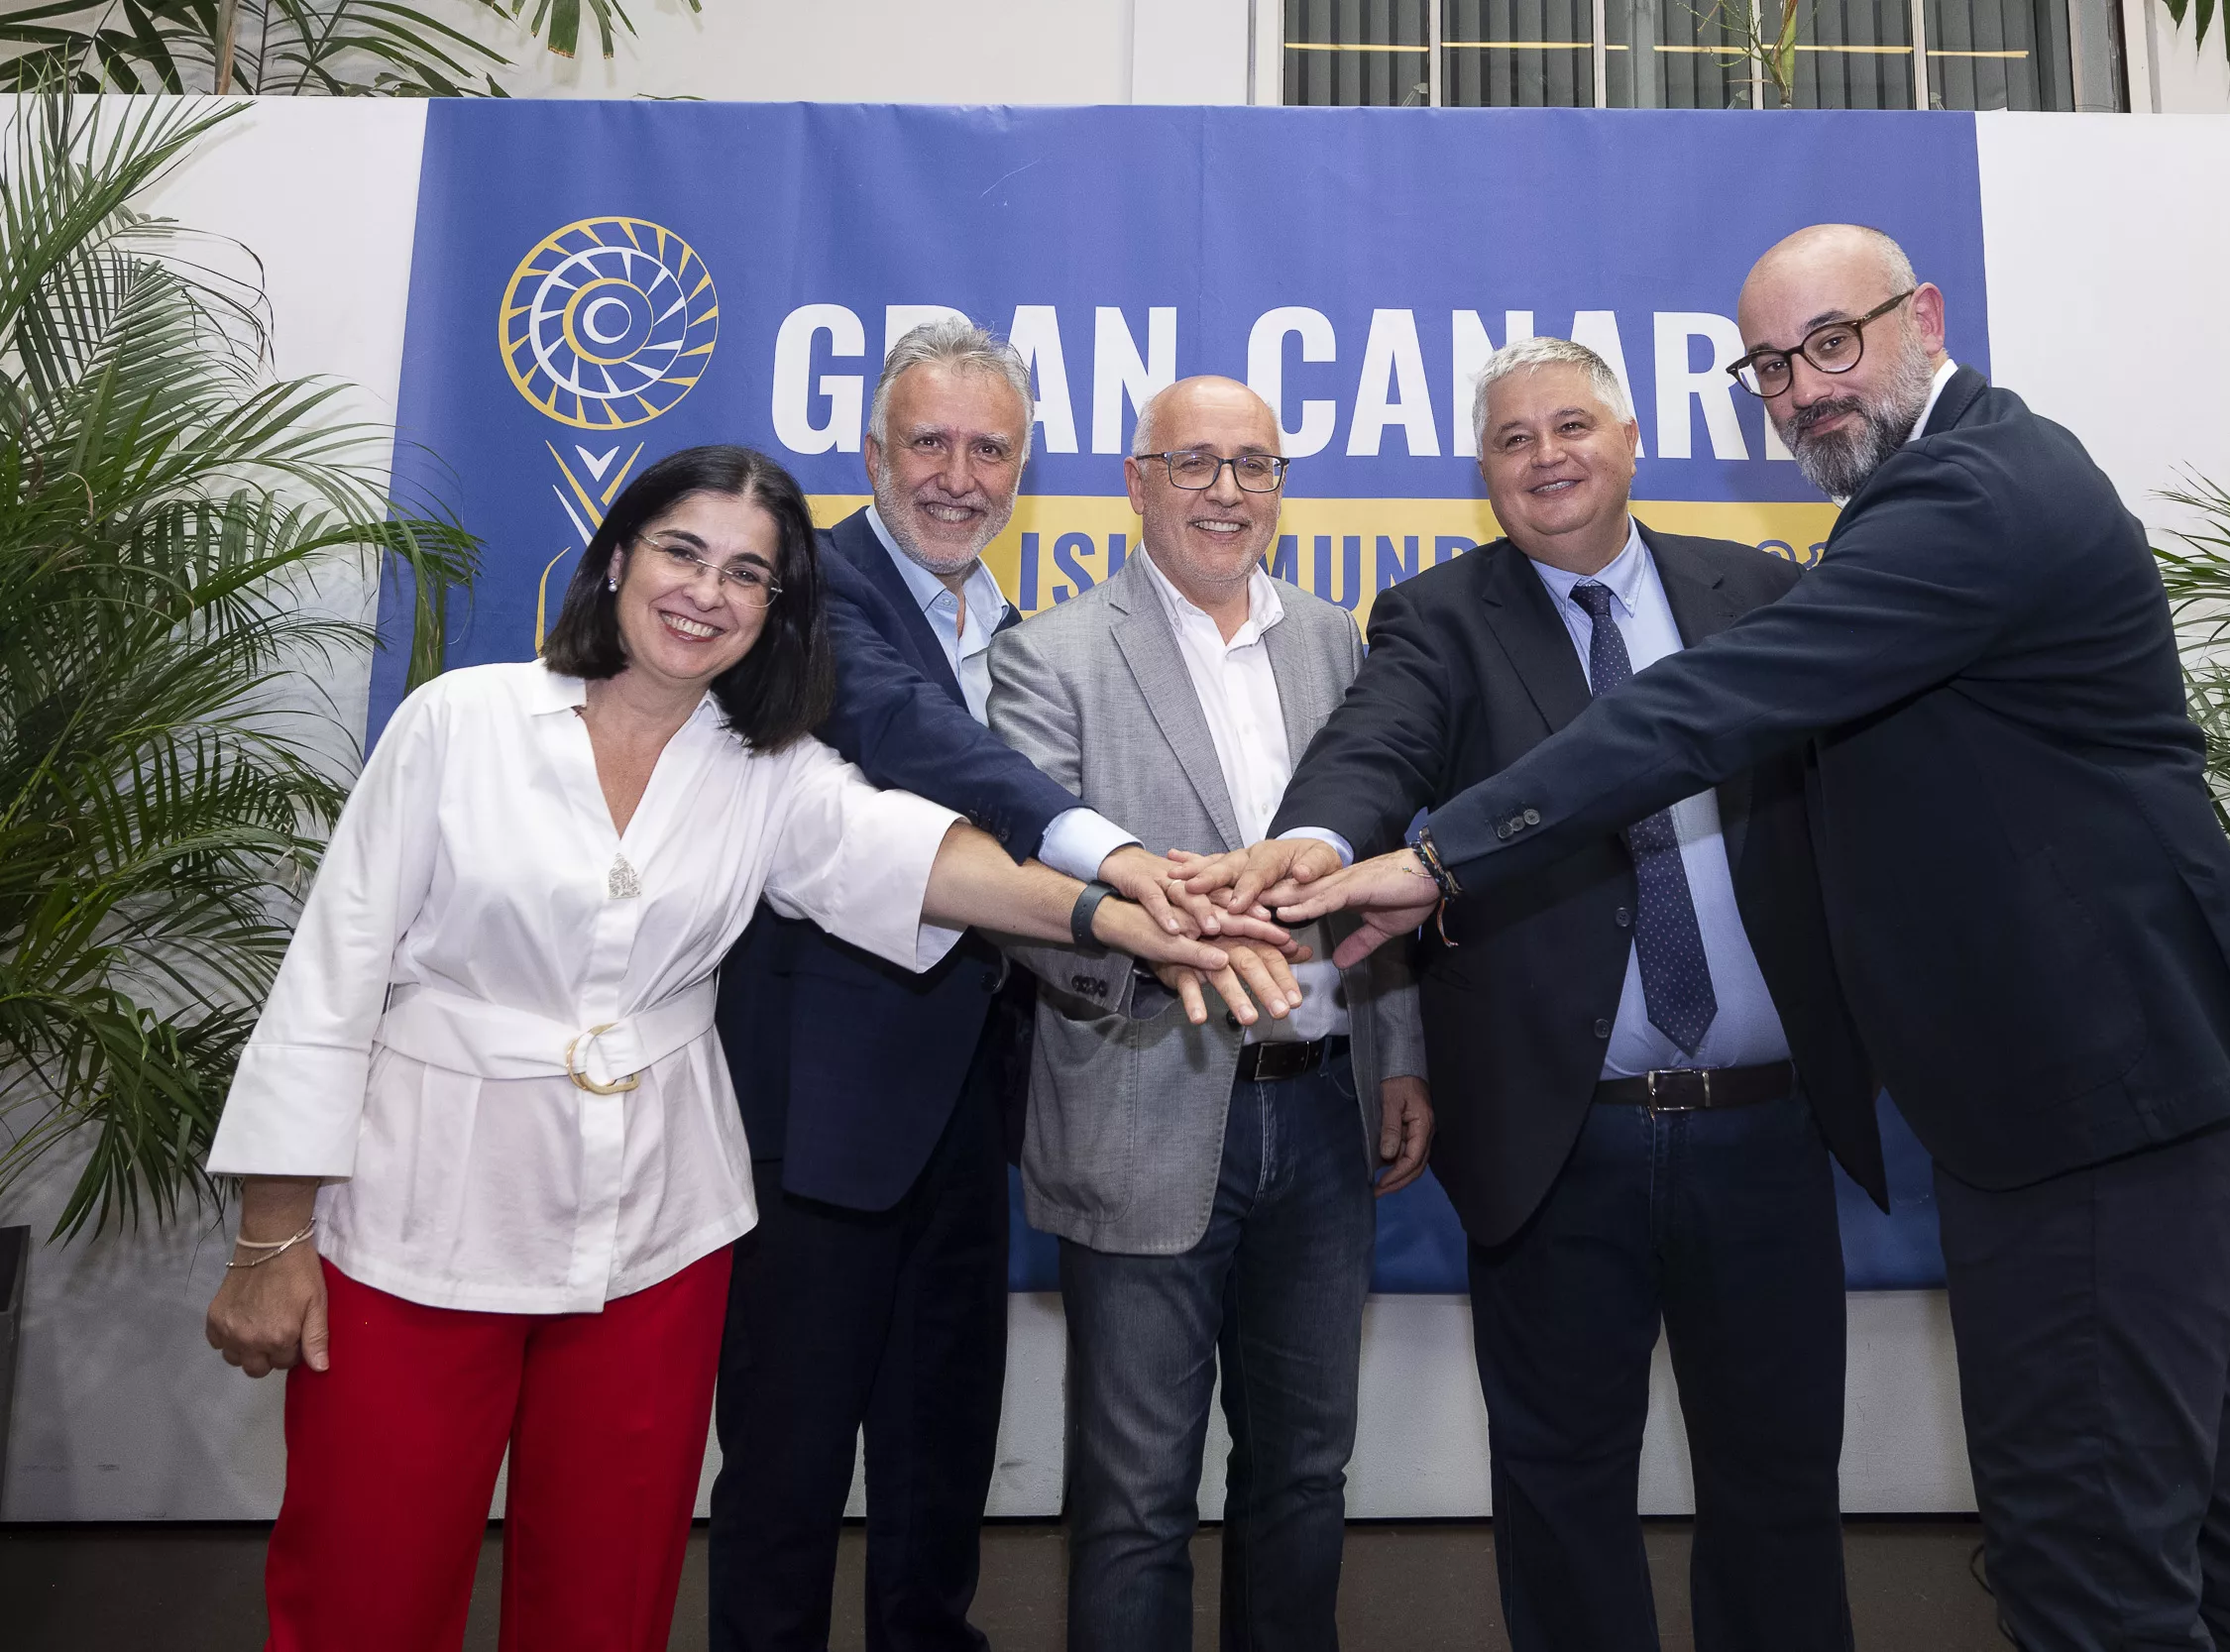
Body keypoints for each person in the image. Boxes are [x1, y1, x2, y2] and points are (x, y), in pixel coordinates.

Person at [1221, 226, 2230, 1652]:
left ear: (1921, 316)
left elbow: (1695, 710)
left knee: (2090, 1552)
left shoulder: (1960, 498)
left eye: (1833, 343)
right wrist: (1328, 842)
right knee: (2211, 1508)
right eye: (1770, 365)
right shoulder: (1917, 493)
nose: (1803, 388)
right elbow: (1381, 736)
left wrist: (1439, 855)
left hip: (2094, 1089)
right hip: (2099, 1083)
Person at [200, 444, 1285, 1652]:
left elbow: (912, 857)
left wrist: (1116, 912)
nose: (706, 593)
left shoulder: (768, 763)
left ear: (776, 609)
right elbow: (329, 978)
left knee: (606, 1591)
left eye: (747, 574)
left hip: (653, 1239)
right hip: (418, 1220)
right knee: (369, 1580)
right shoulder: (460, 721)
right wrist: (270, 1232)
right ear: (616, 557)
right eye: (681, 552)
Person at [1173, 336, 1881, 1651]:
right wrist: (1322, 843)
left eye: (1572, 426)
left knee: (1779, 1485)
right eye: (1512, 439)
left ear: (1633, 443)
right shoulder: (1440, 616)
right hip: (1563, 1136)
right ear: (1482, 474)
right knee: (1561, 1493)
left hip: (1765, 1127)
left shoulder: (1762, 592)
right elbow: (1371, 748)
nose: (1546, 455)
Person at [706, 321, 1260, 1652]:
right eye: (931, 442)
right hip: (820, 1114)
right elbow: (918, 739)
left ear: (1025, 467)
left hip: (974, 1106)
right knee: (786, 1468)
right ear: (873, 452)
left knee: (939, 1452)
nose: (960, 474)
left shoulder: (1004, 623)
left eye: (991, 447)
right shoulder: (806, 582)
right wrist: (1118, 864)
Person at [984, 377, 1432, 1652]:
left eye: (1255, 465)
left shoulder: (1340, 645)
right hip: (1142, 1103)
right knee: (1133, 1498)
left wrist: (1397, 1049)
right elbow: (1025, 898)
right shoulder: (1053, 652)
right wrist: (1159, 949)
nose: (1227, 491)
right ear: (1136, 482)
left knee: (1303, 1475)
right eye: (1194, 464)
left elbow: (1377, 862)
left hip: (1324, 1114)